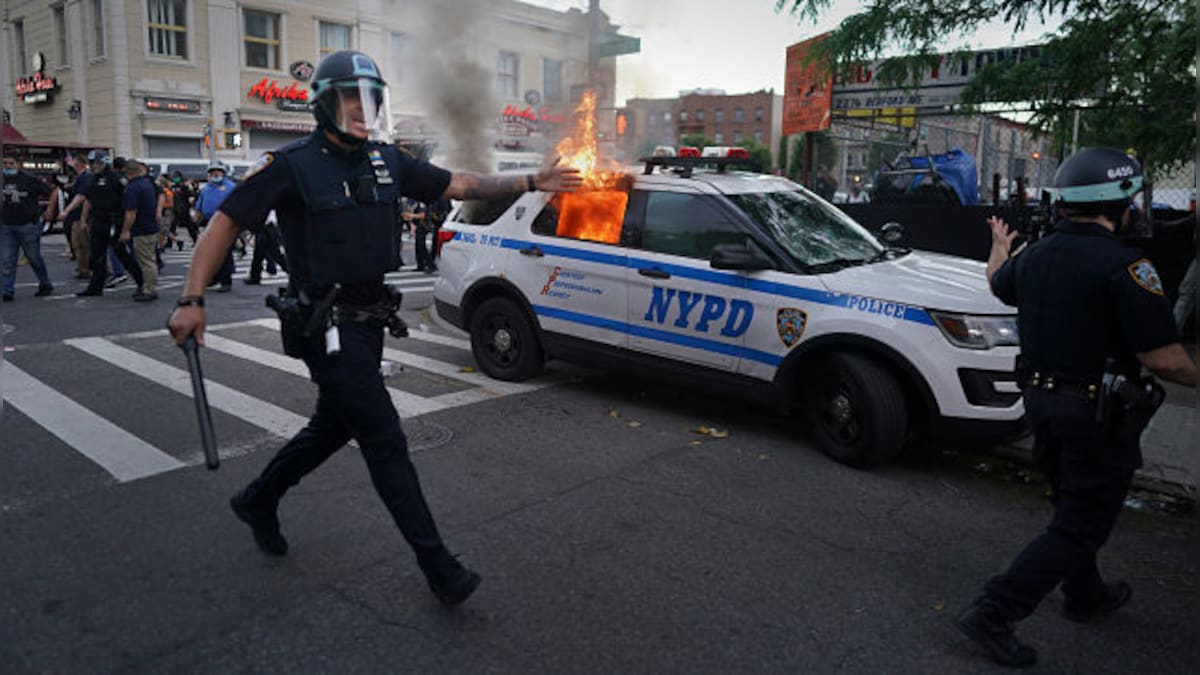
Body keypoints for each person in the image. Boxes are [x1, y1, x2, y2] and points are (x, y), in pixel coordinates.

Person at [167, 50, 581, 606]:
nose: (364, 110)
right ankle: (439, 567)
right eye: (350, 98)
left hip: (369, 320)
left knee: (335, 425)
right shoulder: (291, 165)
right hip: (325, 324)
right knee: (384, 437)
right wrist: (192, 298)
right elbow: (225, 222)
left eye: (373, 98)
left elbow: (458, 184)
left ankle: (259, 498)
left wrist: (532, 178)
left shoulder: (387, 159)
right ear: (323, 104)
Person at [956, 147, 1198, 668]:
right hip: (1094, 419)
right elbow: (1166, 360)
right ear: (1116, 204)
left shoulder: (1035, 254)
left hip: (1042, 409)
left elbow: (998, 285)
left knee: (1072, 508)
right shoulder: (1127, 266)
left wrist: (999, 245)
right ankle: (994, 612)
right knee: (1080, 525)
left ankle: (1085, 594)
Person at [76, 151, 140, 297]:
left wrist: (125, 225)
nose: (94, 166)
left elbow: (127, 199)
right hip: (98, 219)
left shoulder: (116, 179)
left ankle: (141, 282)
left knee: (121, 252)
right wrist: (84, 219)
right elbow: (87, 199)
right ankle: (95, 287)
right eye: (92, 163)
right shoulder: (92, 179)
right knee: (97, 254)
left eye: (97, 163)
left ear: (105, 163)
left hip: (114, 219)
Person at [1, 152, 54, 301]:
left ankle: (45, 283)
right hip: (6, 225)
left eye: (11, 163)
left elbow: (53, 191)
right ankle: (7, 290)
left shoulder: (30, 180)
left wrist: (50, 209)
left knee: (33, 257)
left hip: (28, 225)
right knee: (7, 259)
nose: (7, 166)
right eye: (5, 163)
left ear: (18, 164)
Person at [118, 159, 160, 302]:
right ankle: (149, 287)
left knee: (146, 261)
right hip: (150, 226)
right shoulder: (146, 184)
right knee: (149, 259)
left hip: (141, 228)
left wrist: (125, 230)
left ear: (128, 172)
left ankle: (149, 290)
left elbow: (131, 212)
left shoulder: (133, 187)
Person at [192, 161, 236, 292]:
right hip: (208, 222)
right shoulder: (206, 188)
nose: (215, 174)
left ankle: (226, 280)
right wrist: (197, 216)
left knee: (224, 252)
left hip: (225, 222)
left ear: (223, 173)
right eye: (212, 172)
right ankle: (214, 277)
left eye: (217, 172)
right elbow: (200, 205)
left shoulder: (231, 187)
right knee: (210, 252)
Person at [60, 153, 94, 279]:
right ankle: (83, 268)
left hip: (80, 215)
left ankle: (87, 268)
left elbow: (82, 197)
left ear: (78, 162)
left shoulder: (86, 177)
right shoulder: (80, 177)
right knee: (78, 244)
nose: (71, 163)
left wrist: (66, 211)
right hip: (77, 215)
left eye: (73, 161)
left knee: (83, 243)